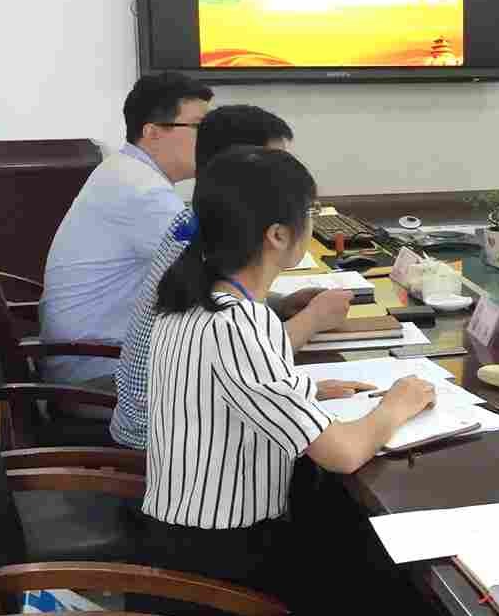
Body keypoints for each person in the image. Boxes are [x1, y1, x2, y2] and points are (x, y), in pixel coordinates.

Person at [138, 146, 436, 616]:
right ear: (277, 235)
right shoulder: (238, 324)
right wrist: (396, 404)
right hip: (219, 578)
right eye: (307, 215)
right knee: (388, 587)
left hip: (184, 547)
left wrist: (302, 393)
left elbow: (224, 393)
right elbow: (342, 453)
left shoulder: (193, 294)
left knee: (349, 537)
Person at [109, 104, 352, 449]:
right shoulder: (196, 244)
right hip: (157, 440)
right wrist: (313, 319)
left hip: (164, 424)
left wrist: (280, 304)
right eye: (274, 164)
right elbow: (241, 348)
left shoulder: (194, 226)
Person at [40, 72, 213, 388]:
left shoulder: (126, 172)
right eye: (200, 127)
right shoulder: (142, 191)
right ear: (152, 132)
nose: (211, 140)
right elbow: (214, 275)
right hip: (100, 374)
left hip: (94, 359)